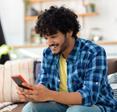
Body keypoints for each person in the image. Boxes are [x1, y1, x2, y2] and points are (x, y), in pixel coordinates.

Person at [18, 6, 117, 112]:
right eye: (46, 38)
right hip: (62, 105)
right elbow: (43, 85)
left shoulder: (94, 52)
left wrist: (49, 94)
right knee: (30, 108)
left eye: (53, 36)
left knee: (75, 111)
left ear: (69, 31)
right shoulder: (48, 53)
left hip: (96, 105)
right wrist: (33, 94)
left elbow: (89, 96)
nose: (49, 43)